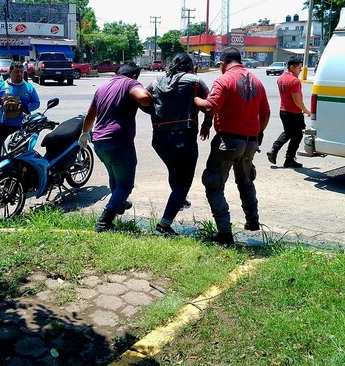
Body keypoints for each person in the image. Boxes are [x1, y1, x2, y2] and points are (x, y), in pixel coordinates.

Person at [194, 49, 271, 246]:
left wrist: (194, 99)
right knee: (245, 181)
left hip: (228, 142)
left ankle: (225, 234)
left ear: (223, 63)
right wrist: (257, 132)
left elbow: (210, 107)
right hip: (250, 142)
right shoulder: (256, 81)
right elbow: (266, 114)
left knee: (213, 183)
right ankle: (252, 222)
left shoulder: (224, 80)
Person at [143, 53, 213, 236]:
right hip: (183, 137)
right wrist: (206, 124)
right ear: (190, 66)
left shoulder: (156, 81)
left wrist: (155, 111)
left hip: (159, 139)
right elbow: (210, 104)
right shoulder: (194, 81)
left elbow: (143, 100)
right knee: (183, 182)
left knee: (174, 171)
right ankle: (163, 226)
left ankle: (178, 200)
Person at [78, 62, 152, 232]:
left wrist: (84, 133)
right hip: (119, 141)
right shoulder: (130, 83)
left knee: (115, 177)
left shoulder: (102, 87)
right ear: (134, 76)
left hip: (99, 142)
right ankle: (104, 222)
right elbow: (145, 99)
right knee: (125, 185)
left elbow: (90, 115)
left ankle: (118, 204)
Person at [266, 55, 312, 168]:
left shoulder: (281, 78)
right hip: (294, 113)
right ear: (292, 67)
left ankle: (283, 155)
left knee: (290, 133)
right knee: (295, 134)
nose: (300, 70)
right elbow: (297, 100)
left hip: (283, 111)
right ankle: (285, 156)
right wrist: (306, 111)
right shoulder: (294, 81)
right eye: (299, 68)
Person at [0, 60, 40, 146]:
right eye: (16, 72)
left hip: (22, 127)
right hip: (5, 126)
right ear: (10, 72)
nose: (20, 74)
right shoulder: (1, 85)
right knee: (3, 152)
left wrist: (26, 107)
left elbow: (36, 102)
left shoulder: (29, 87)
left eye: (21, 72)